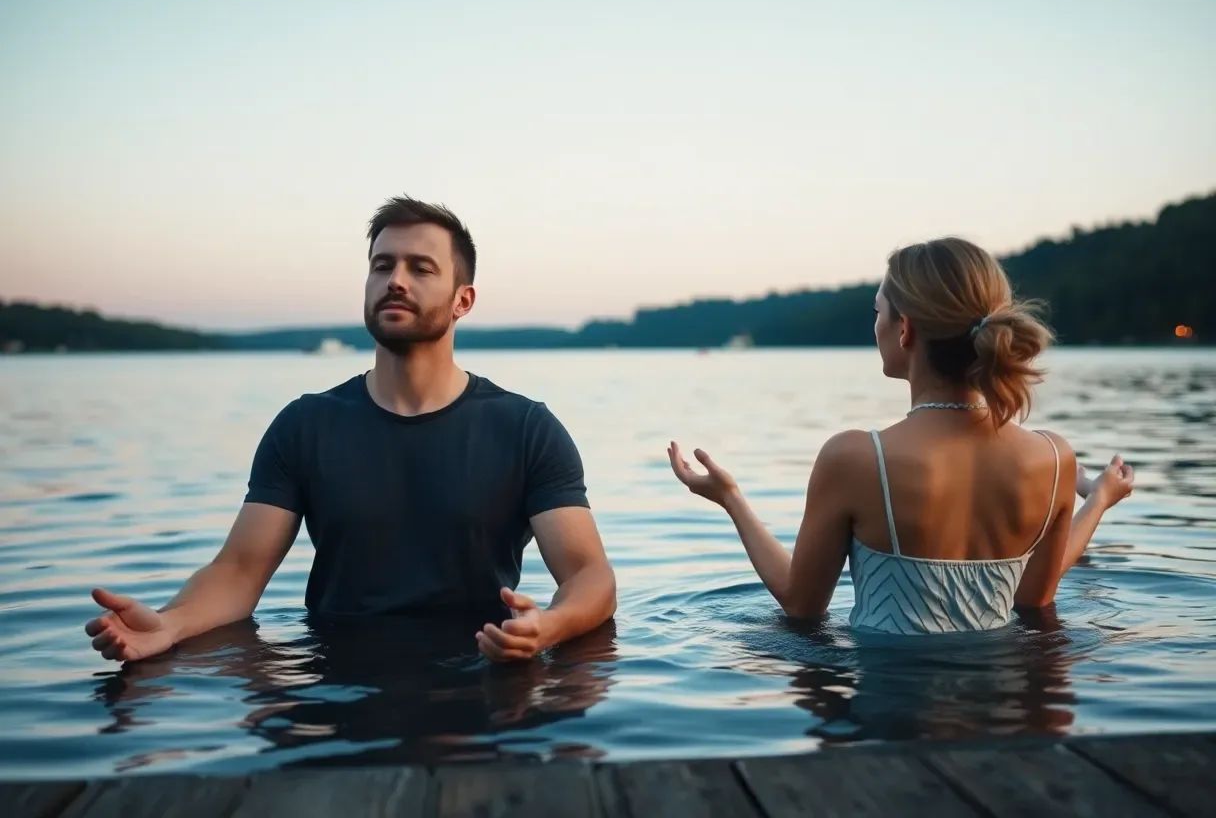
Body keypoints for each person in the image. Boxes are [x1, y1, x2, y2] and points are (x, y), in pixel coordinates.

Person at [85, 196, 616, 662]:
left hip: (478, 673)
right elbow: (239, 572)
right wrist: (170, 625)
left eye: (420, 268)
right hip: (337, 682)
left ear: (463, 301)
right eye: (382, 266)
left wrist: (546, 628)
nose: (396, 280)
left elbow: (590, 577)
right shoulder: (306, 425)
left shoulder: (525, 428)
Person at [669, 237, 1134, 634]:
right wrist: (1099, 500)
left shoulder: (856, 457)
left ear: (905, 328)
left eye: (878, 312)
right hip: (1004, 712)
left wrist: (731, 498)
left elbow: (801, 604)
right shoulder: (1054, 458)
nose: (876, 325)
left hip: (890, 718)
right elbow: (1037, 598)